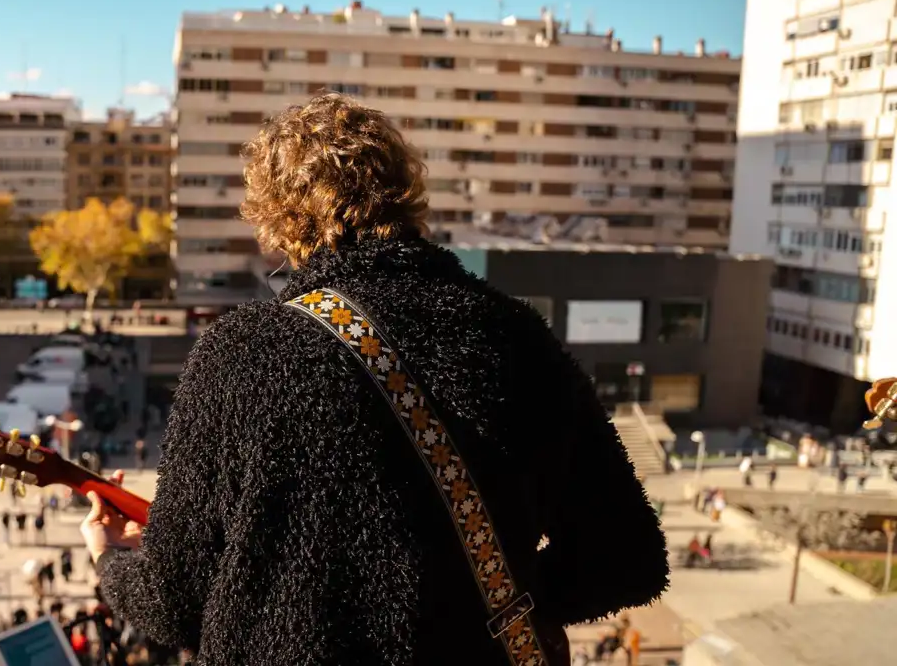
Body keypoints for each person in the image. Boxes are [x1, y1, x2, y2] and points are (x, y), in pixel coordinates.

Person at [79, 94, 668, 665]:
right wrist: (479, 610)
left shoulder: (243, 351)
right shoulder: (518, 334)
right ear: (408, 197)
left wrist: (109, 560)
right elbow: (629, 556)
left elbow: (172, 604)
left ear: (276, 220)